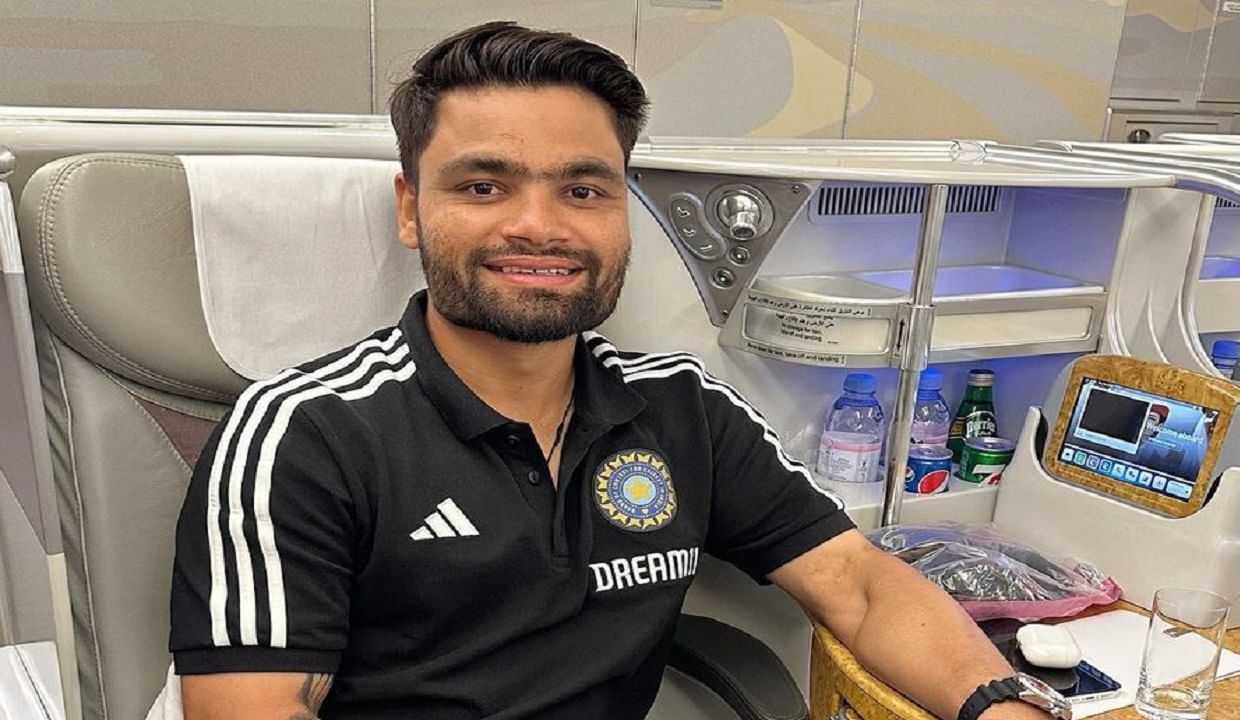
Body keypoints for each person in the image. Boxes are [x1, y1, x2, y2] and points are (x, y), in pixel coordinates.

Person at [170, 21, 1061, 720]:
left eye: (583, 189)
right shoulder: (305, 433)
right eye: (483, 187)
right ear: (411, 210)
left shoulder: (684, 409)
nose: (539, 225)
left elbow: (860, 585)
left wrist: (1005, 705)